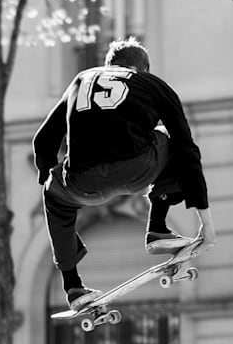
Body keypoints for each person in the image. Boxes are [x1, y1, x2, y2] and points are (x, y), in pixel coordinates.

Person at [32, 36, 215, 310]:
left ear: (109, 65)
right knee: (171, 137)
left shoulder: (82, 80)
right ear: (143, 67)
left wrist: (49, 179)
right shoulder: (153, 84)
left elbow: (42, 141)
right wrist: (206, 221)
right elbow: (187, 149)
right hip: (137, 170)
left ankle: (73, 287)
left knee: (53, 194)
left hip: (82, 183)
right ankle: (157, 228)